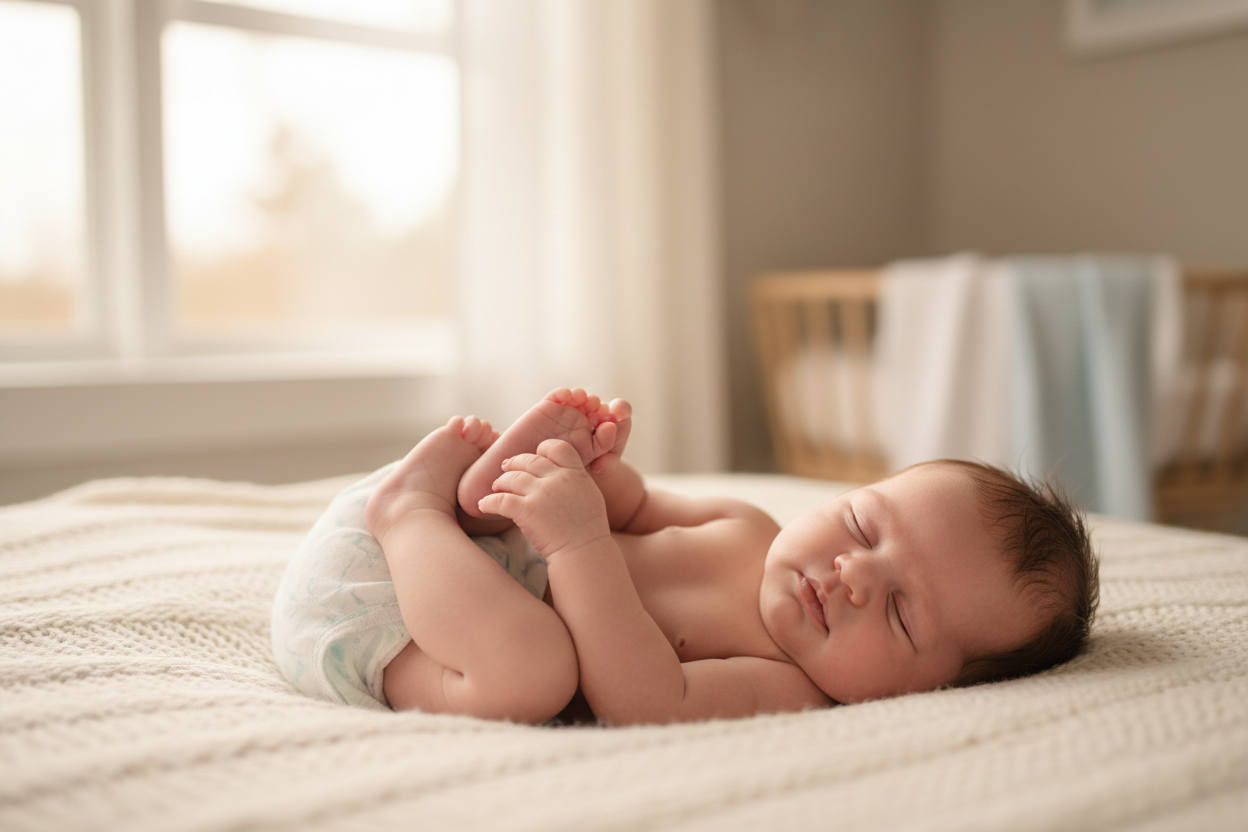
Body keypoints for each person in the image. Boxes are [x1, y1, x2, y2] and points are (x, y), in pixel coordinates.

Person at [271, 388, 1098, 725]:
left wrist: (579, 540)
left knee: (536, 671)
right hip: (441, 548)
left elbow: (647, 699)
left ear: (932, 689)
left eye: (901, 610)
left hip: (383, 627)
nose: (851, 576)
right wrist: (596, 466)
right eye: (859, 526)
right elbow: (633, 508)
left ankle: (411, 510)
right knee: (536, 507)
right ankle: (469, 491)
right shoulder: (746, 523)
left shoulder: (788, 686)